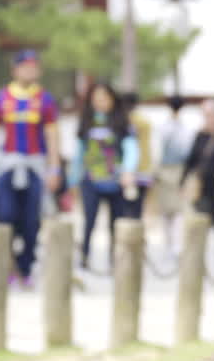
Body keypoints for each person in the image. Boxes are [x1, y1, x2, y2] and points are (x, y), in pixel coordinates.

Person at [0, 49, 61, 285]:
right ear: (15, 69)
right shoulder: (1, 98)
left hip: (34, 167)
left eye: (34, 66)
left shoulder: (45, 99)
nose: (30, 70)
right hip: (7, 165)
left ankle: (26, 267)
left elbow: (52, 135)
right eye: (25, 66)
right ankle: (5, 266)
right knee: (4, 216)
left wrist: (54, 168)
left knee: (32, 220)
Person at [69, 83, 139, 269]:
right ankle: (84, 257)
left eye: (104, 98)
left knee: (116, 223)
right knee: (89, 220)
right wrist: (72, 180)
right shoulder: (87, 122)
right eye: (97, 98)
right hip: (91, 179)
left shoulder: (122, 122)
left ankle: (115, 260)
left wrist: (128, 170)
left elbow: (131, 149)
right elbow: (79, 153)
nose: (100, 102)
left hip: (115, 180)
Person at [155, 94, 193, 250]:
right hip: (176, 170)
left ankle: (171, 243)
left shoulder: (164, 127)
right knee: (174, 210)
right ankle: (173, 244)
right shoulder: (184, 128)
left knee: (173, 210)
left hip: (170, 170)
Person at [121, 91, 153, 217]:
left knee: (128, 208)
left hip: (130, 172)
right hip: (145, 169)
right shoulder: (145, 120)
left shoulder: (129, 121)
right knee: (138, 207)